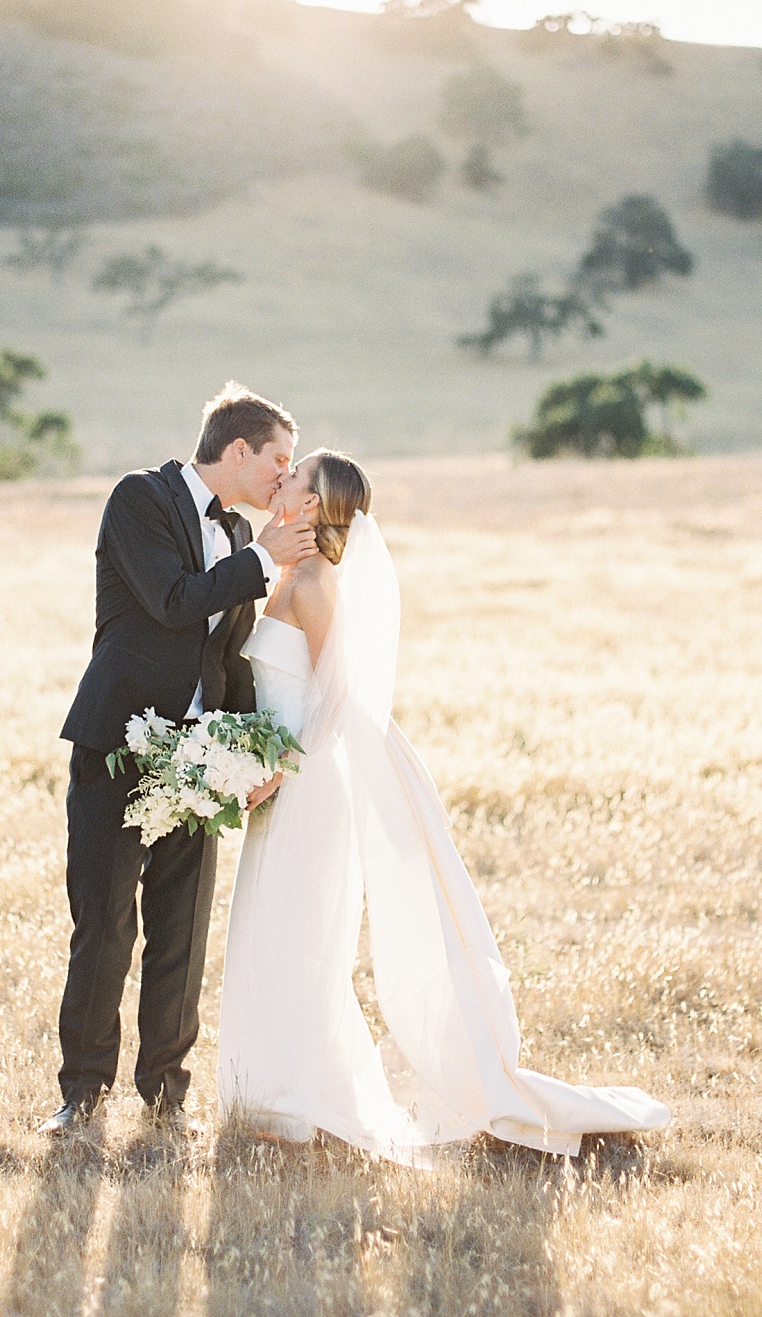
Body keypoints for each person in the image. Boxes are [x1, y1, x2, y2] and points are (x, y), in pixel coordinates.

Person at [217, 449, 671, 1161]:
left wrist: (279, 763)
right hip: (280, 779)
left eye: (294, 475)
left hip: (306, 785)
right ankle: (273, 1094)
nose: (282, 479)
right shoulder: (289, 573)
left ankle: (297, 1100)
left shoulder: (314, 582)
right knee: (270, 931)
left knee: (298, 938)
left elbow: (338, 694)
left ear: (310, 506)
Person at [40, 384, 318, 1135]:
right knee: (104, 925)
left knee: (182, 931)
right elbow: (169, 599)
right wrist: (263, 559)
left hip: (202, 762)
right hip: (117, 748)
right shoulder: (141, 499)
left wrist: (255, 749)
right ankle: (83, 1095)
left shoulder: (236, 532)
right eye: (278, 460)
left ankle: (166, 1095)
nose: (283, 478)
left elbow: (227, 658)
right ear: (238, 451)